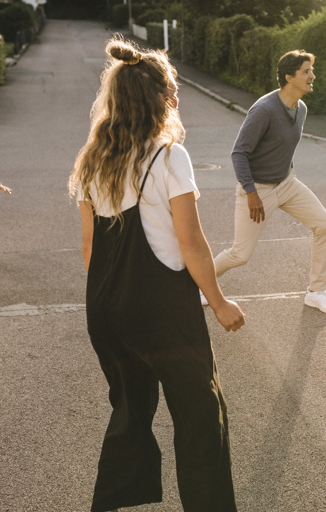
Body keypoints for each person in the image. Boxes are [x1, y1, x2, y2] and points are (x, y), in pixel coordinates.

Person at [69, 36, 245, 512]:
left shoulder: (91, 161)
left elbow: (90, 248)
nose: (177, 98)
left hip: (106, 309)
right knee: (200, 417)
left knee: (129, 413)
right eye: (173, 91)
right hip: (164, 310)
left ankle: (111, 503)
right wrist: (219, 300)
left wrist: (114, 299)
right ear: (158, 98)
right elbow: (191, 243)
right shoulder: (169, 157)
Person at [207, 49, 326, 314]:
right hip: (257, 189)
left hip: (287, 184)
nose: (313, 75)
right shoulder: (264, 110)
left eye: (311, 70)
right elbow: (239, 152)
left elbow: (281, 148)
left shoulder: (301, 108)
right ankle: (201, 285)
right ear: (289, 77)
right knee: (240, 254)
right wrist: (251, 193)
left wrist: (285, 176)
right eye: (306, 71)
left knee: (325, 224)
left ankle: (315, 292)